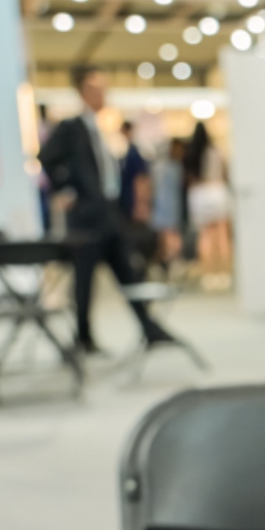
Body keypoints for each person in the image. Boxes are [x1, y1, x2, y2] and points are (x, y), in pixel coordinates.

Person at [37, 66, 175, 355]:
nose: (102, 94)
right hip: (87, 218)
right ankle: (83, 337)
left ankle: (149, 328)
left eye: (104, 89)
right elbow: (46, 158)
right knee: (85, 281)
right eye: (96, 89)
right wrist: (66, 190)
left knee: (128, 272)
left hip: (110, 214)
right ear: (82, 92)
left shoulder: (104, 128)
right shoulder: (72, 127)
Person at [187, 124, 233, 290]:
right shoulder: (215, 151)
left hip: (201, 195)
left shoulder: (193, 153)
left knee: (205, 236)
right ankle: (224, 273)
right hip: (217, 192)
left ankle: (208, 274)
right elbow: (225, 172)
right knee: (221, 235)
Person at [150, 137, 187, 265]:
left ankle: (172, 260)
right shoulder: (162, 167)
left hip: (171, 207)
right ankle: (168, 260)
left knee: (170, 235)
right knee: (165, 236)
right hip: (163, 207)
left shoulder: (176, 167)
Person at [116, 119, 151, 223]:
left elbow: (140, 179)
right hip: (125, 200)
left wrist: (140, 203)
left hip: (132, 200)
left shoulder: (134, 153)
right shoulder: (125, 152)